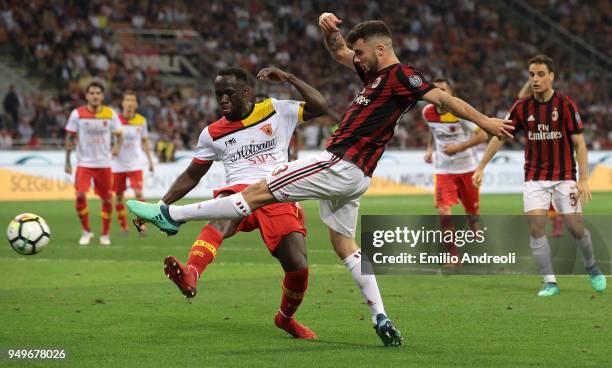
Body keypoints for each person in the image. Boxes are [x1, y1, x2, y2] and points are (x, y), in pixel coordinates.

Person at [127, 15, 514, 346]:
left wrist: (487, 121)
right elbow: (338, 51)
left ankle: (171, 215)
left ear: (380, 49)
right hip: (356, 177)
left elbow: (445, 101)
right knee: (344, 243)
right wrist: (329, 30)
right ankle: (380, 316)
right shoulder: (375, 75)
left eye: (360, 51)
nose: (354, 58)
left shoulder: (401, 76)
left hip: (340, 163)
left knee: (257, 192)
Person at [152, 67, 327, 339]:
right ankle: (192, 273)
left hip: (277, 191)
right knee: (223, 208)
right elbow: (192, 175)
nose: (222, 100)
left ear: (246, 92)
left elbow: (320, 106)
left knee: (298, 267)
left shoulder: (275, 110)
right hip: (240, 191)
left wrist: (291, 78)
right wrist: (160, 206)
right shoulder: (211, 133)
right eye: (218, 94)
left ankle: (285, 319)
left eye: (228, 94)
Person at [472, 54, 607, 296]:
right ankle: (550, 282)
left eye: (541, 74)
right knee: (536, 227)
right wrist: (481, 166)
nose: (535, 79)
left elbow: (580, 144)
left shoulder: (565, 105)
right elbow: (500, 135)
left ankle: (591, 266)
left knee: (576, 229)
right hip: (535, 178)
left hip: (565, 176)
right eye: (532, 74)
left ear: (551, 76)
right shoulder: (522, 107)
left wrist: (584, 178)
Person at [423, 78, 488, 265]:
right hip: (443, 170)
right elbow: (432, 131)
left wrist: (459, 147)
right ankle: (453, 256)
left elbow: (483, 135)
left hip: (467, 168)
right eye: (436, 91)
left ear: (450, 92)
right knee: (444, 211)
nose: (440, 94)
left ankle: (474, 224)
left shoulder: (460, 112)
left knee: (473, 214)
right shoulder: (427, 112)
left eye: (443, 90)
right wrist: (430, 149)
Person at [65, 81, 123, 246]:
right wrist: (67, 161)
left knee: (107, 199)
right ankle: (86, 231)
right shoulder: (77, 114)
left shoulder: (110, 114)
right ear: (86, 96)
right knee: (80, 195)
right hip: (84, 163)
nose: (95, 96)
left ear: (102, 96)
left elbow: (119, 135)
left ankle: (105, 234)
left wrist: (117, 147)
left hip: (104, 164)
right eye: (92, 93)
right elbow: (69, 138)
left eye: (98, 93)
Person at [517, 80, 564, 238]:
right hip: (537, 161)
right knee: (544, 197)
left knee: (555, 195)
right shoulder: (531, 106)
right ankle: (554, 222)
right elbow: (521, 97)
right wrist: (530, 82)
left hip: (556, 160)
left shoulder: (557, 105)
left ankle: (557, 222)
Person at [111, 90, 154, 234]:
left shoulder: (141, 121)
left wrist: (150, 161)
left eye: (132, 100)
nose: (130, 103)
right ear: (123, 103)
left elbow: (145, 141)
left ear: (136, 104)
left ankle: (141, 225)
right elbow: (107, 139)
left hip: (135, 163)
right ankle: (123, 226)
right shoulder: (115, 120)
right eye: (127, 100)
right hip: (118, 165)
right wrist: (112, 149)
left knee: (139, 193)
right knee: (118, 196)